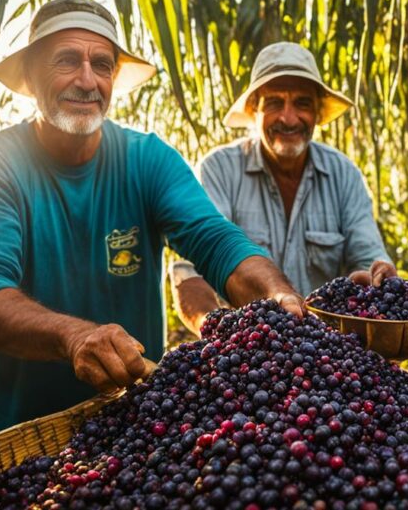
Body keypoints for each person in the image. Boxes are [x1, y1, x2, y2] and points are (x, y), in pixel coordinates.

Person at [0, 0, 303, 452]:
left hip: (129, 440)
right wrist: (74, 337)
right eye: (67, 60)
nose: (87, 80)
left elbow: (215, 240)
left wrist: (276, 295)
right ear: (31, 77)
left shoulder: (146, 159)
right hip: (12, 446)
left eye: (103, 65)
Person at [169, 42, 395, 333]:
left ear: (317, 112)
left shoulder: (344, 174)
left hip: (326, 353)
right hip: (248, 352)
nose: (289, 119)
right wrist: (219, 333)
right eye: (274, 103)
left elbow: (368, 258)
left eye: (302, 103)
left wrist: (374, 279)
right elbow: (191, 273)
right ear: (254, 110)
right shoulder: (219, 170)